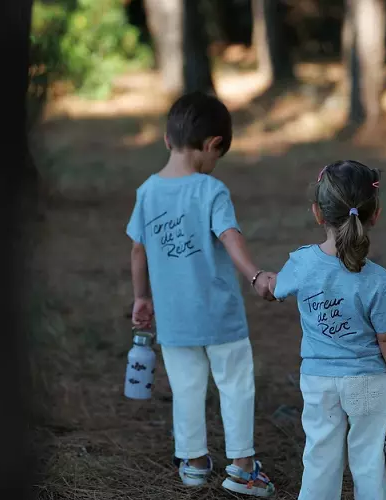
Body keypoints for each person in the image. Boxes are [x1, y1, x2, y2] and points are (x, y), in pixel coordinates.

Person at [126, 92, 275, 497]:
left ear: (165, 138)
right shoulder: (211, 190)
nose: (214, 165)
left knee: (187, 388)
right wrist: (255, 275)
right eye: (217, 156)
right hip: (220, 315)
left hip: (175, 319)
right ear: (212, 145)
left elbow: (138, 249)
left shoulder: (147, 192)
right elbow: (230, 236)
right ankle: (242, 467)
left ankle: (192, 462)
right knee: (236, 383)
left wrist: (142, 298)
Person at [269, 160, 386, 500]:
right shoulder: (378, 280)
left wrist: (262, 279)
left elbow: (275, 288)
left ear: (318, 213)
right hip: (368, 382)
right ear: (374, 215)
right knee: (371, 458)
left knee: (320, 455)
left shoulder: (300, 264)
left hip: (319, 381)